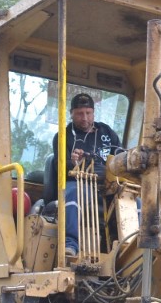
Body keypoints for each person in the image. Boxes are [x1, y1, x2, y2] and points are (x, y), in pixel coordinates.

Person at [49, 93, 123, 257]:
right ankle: (70, 244)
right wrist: (73, 162)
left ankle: (128, 248)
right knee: (72, 192)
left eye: (88, 113)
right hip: (80, 183)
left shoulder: (106, 132)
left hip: (107, 184)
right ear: (71, 113)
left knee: (133, 200)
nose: (85, 118)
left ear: (93, 112)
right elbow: (58, 166)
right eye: (80, 114)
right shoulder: (64, 136)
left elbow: (120, 157)